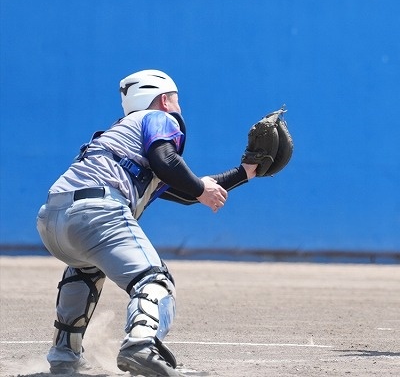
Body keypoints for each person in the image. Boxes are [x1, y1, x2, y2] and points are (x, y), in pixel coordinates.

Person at [36, 69, 261, 376]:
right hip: (97, 211)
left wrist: (245, 172)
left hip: (53, 218)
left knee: (86, 269)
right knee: (155, 280)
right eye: (177, 100)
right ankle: (140, 345)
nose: (179, 107)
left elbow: (184, 188)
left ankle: (64, 355)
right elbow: (169, 164)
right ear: (164, 100)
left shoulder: (122, 136)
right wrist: (200, 190)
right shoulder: (159, 118)